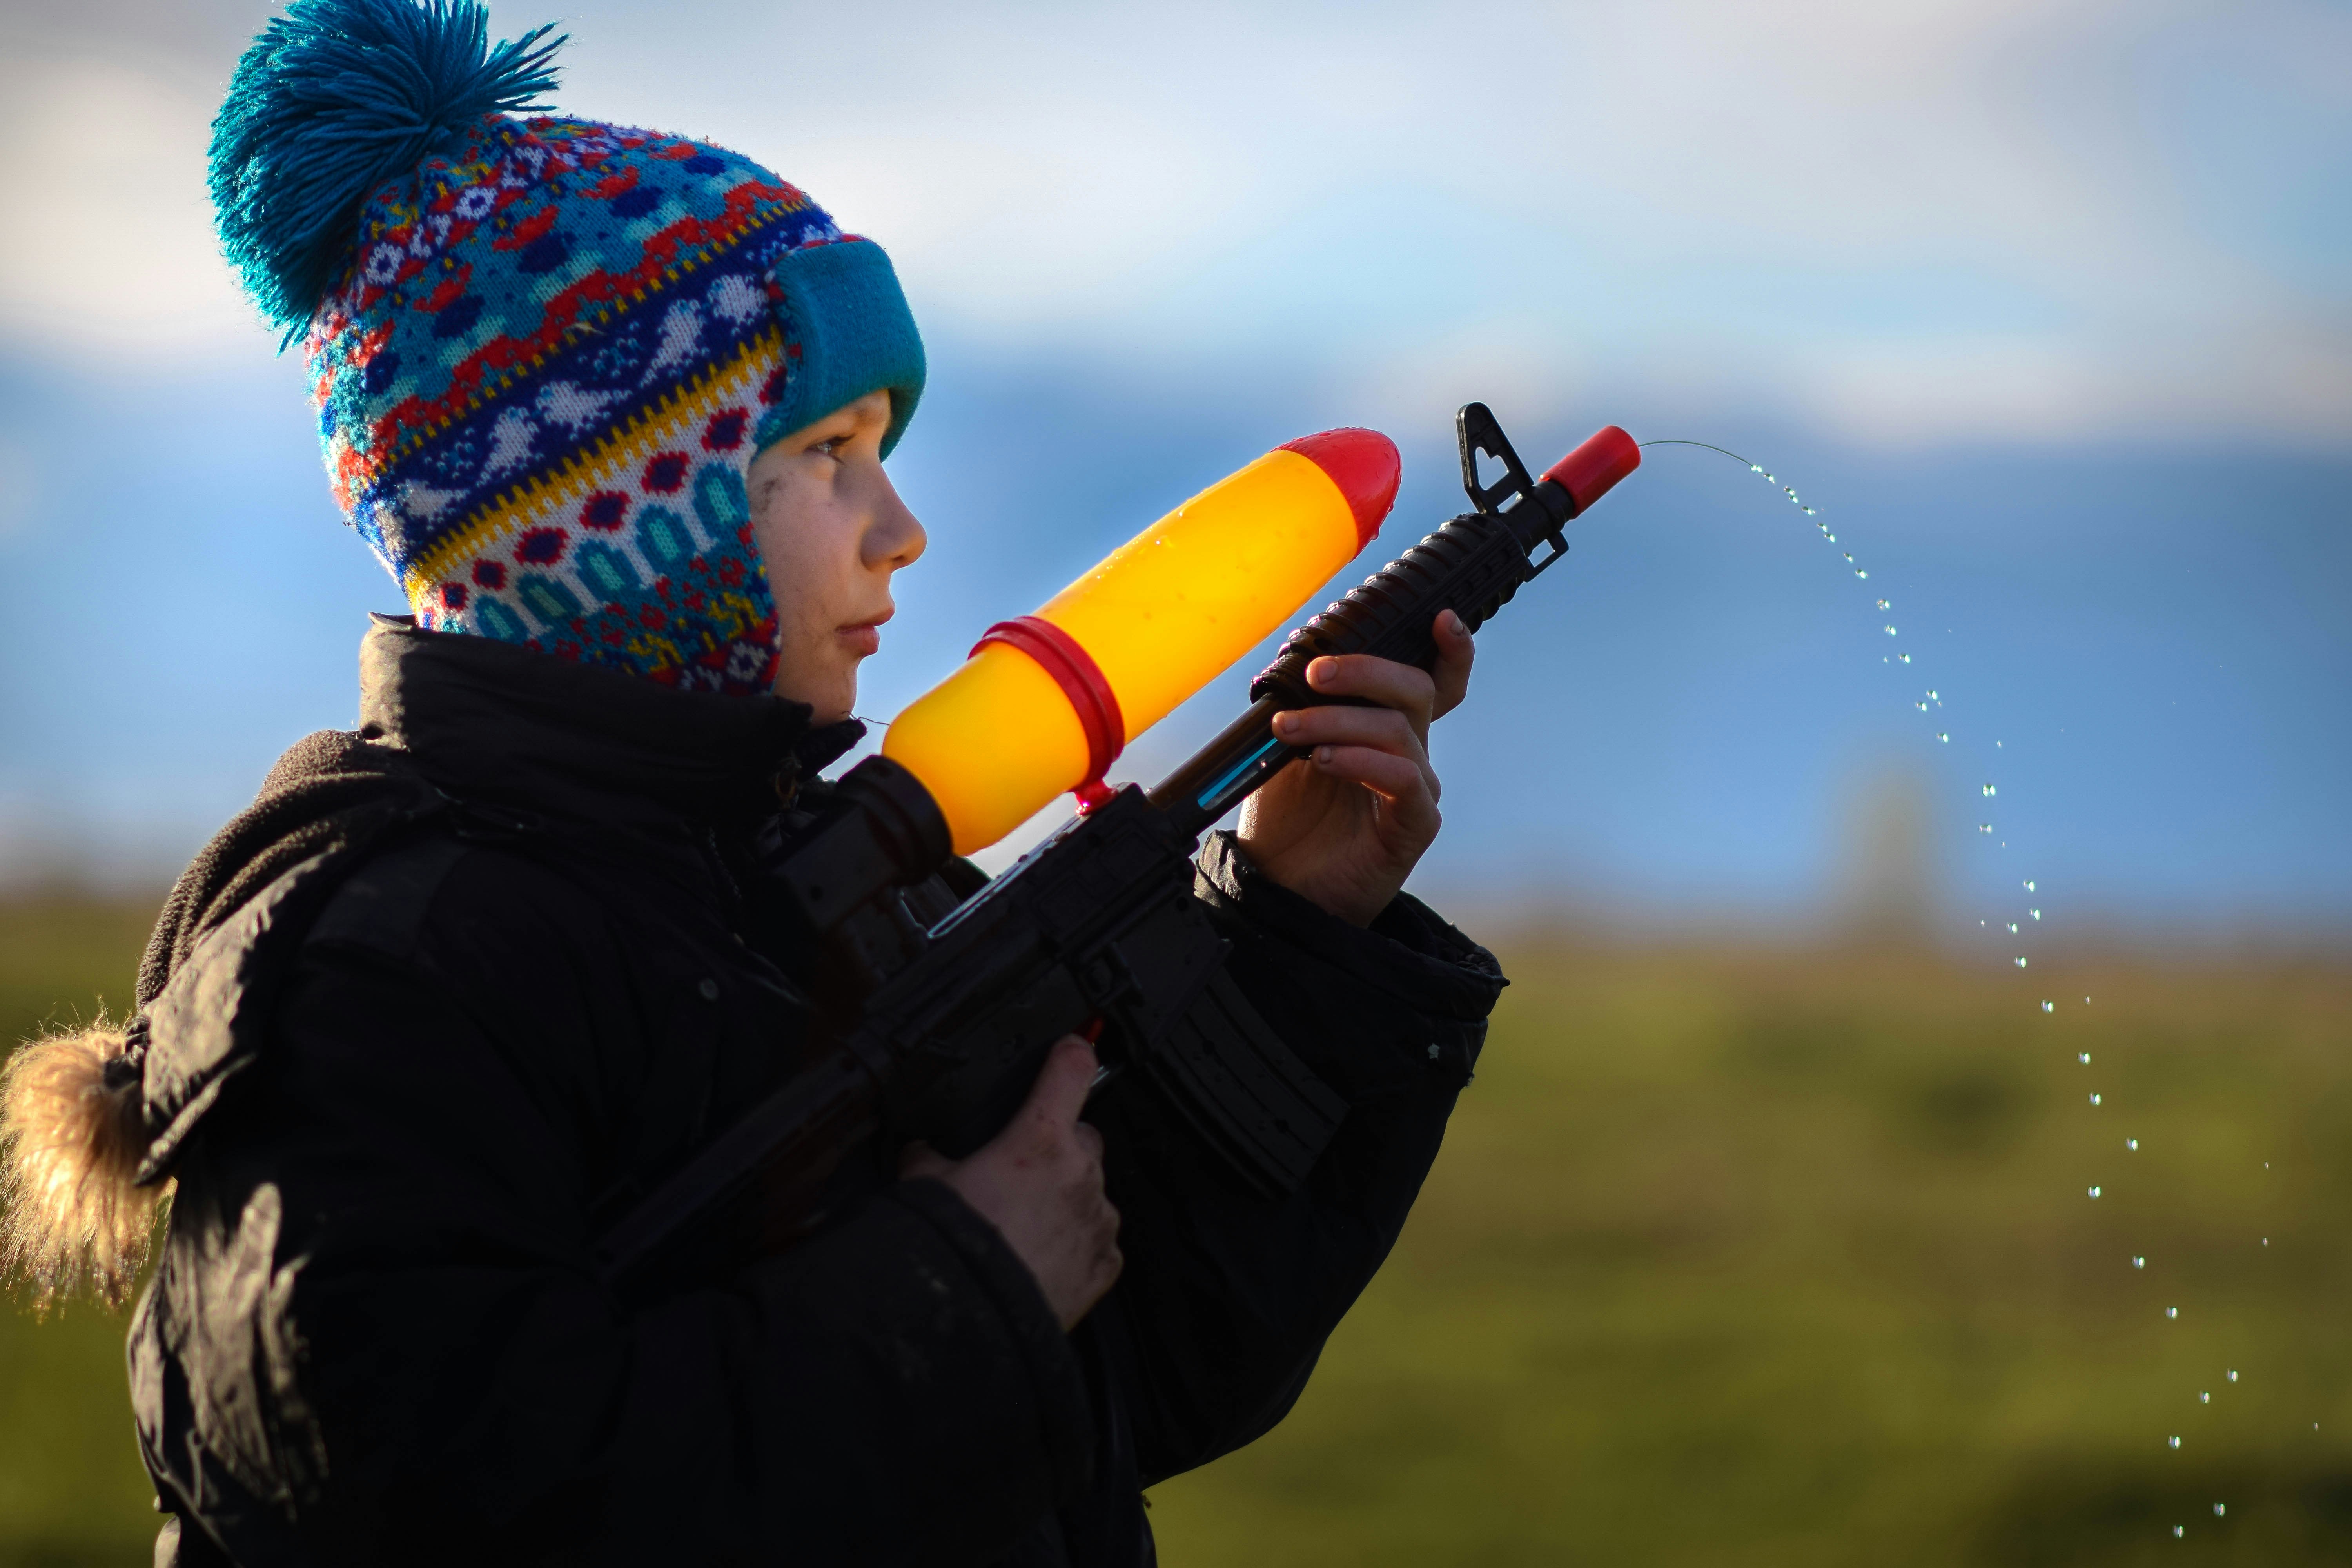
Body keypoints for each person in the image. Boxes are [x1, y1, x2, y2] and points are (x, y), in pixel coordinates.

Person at [0, 1, 1506, 1562]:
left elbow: (1141, 1371)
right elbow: (436, 1493)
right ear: (630, 519)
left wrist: (1294, 921)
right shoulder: (387, 973)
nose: (898, 525)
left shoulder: (833, 867)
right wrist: (955, 1290)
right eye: (828, 454)